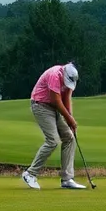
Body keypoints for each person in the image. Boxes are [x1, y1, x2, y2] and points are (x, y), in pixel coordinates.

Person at [21, 61, 85, 190]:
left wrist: (70, 118)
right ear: (64, 73)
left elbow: (66, 98)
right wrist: (69, 119)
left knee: (69, 137)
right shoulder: (54, 74)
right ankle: (30, 174)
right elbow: (56, 100)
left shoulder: (70, 77)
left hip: (53, 108)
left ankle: (67, 179)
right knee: (53, 141)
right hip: (40, 105)